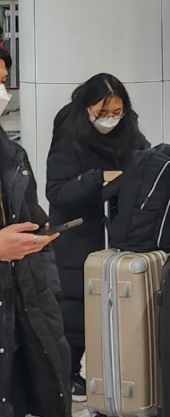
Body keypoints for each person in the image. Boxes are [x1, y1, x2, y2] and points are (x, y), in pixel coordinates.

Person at [46, 74, 149, 402]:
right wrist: (97, 179)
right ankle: (68, 376)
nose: (110, 119)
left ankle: (113, 373)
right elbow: (57, 192)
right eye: (102, 113)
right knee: (75, 312)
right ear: (87, 108)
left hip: (118, 232)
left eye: (116, 111)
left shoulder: (128, 129)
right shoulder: (69, 132)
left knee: (118, 311)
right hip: (77, 233)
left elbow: (143, 158)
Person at [0, 46, 72, 417]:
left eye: (1, 80)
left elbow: (27, 210)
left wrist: (37, 234)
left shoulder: (10, 153)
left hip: (22, 304)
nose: (2, 92)